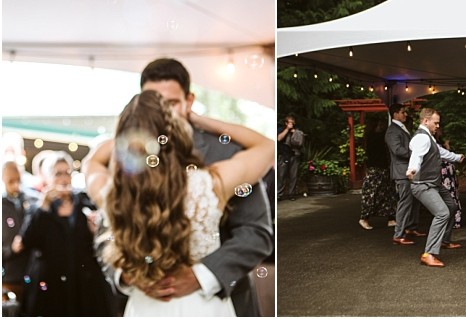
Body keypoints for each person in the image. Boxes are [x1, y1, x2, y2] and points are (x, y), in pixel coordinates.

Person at [89, 58, 274, 316]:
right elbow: (104, 237)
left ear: (189, 100)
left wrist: (202, 275)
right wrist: (124, 275)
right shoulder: (212, 182)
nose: (166, 110)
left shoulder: (112, 189)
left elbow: (256, 232)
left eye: (171, 102)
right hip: (190, 306)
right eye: (156, 102)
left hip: (197, 295)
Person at [17, 151, 116, 316]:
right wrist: (43, 207)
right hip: (50, 284)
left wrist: (96, 231)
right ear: (47, 178)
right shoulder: (38, 207)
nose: (64, 178)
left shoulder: (86, 203)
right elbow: (27, 242)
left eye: (67, 173)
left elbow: (103, 243)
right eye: (58, 174)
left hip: (84, 284)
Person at [406, 108, 465, 267]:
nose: (438, 126)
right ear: (426, 121)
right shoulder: (421, 138)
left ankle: (444, 240)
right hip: (423, 185)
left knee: (451, 206)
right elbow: (416, 156)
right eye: (436, 123)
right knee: (442, 213)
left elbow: (440, 152)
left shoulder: (429, 137)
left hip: (434, 183)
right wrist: (412, 169)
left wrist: (456, 157)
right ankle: (428, 254)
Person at [2, 161, 40, 315]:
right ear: (3, 179)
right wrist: (11, 249)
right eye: (11, 181)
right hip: (10, 277)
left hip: (32, 272)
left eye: (18, 180)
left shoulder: (32, 200)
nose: (16, 185)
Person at [385, 104, 425, 245]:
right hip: (402, 172)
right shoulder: (392, 131)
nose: (405, 114)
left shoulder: (400, 128)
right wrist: (415, 153)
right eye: (403, 112)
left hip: (408, 170)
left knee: (414, 201)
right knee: (405, 202)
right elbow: (397, 150)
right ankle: (399, 234)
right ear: (395, 114)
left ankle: (411, 228)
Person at [358, 117, 397, 230]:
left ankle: (390, 217)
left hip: (382, 168)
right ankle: (365, 217)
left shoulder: (371, 137)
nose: (382, 127)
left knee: (387, 193)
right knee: (373, 193)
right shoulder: (375, 137)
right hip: (376, 168)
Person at [435, 128, 462, 228]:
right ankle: (450, 220)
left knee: (453, 193)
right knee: (447, 194)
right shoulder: (434, 143)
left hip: (449, 171)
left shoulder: (440, 142)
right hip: (443, 172)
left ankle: (455, 219)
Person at [277, 115, 304, 201]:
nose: (291, 124)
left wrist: (293, 134)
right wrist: (287, 129)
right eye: (289, 122)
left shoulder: (298, 132)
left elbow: (299, 143)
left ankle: (291, 194)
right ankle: (278, 194)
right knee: (281, 175)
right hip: (283, 155)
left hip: (294, 155)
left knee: (293, 176)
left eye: (292, 122)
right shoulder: (281, 130)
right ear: (286, 123)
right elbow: (278, 138)